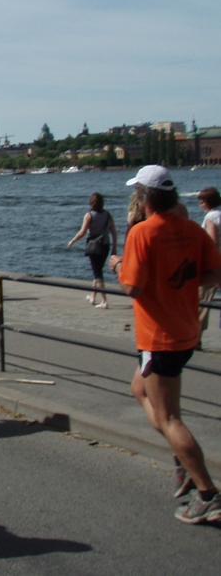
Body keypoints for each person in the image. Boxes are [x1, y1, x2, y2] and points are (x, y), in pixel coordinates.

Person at [109, 166, 221, 524]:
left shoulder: (143, 233)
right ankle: (184, 460)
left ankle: (207, 493)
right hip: (186, 330)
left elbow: (132, 287)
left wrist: (115, 264)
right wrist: (184, 282)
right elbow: (215, 273)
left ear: (143, 198)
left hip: (159, 337)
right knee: (138, 388)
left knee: (170, 417)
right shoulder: (190, 229)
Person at [67, 194, 118, 309]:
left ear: (91, 203)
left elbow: (82, 232)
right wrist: (114, 248)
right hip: (105, 245)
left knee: (98, 273)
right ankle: (93, 296)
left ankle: (104, 301)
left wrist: (73, 240)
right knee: (97, 269)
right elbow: (114, 232)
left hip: (94, 247)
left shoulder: (89, 215)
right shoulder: (108, 215)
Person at [196, 187, 221, 340]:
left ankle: (196, 337)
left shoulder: (211, 217)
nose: (200, 205)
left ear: (207, 202)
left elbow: (213, 241)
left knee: (204, 301)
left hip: (213, 264)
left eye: (201, 202)